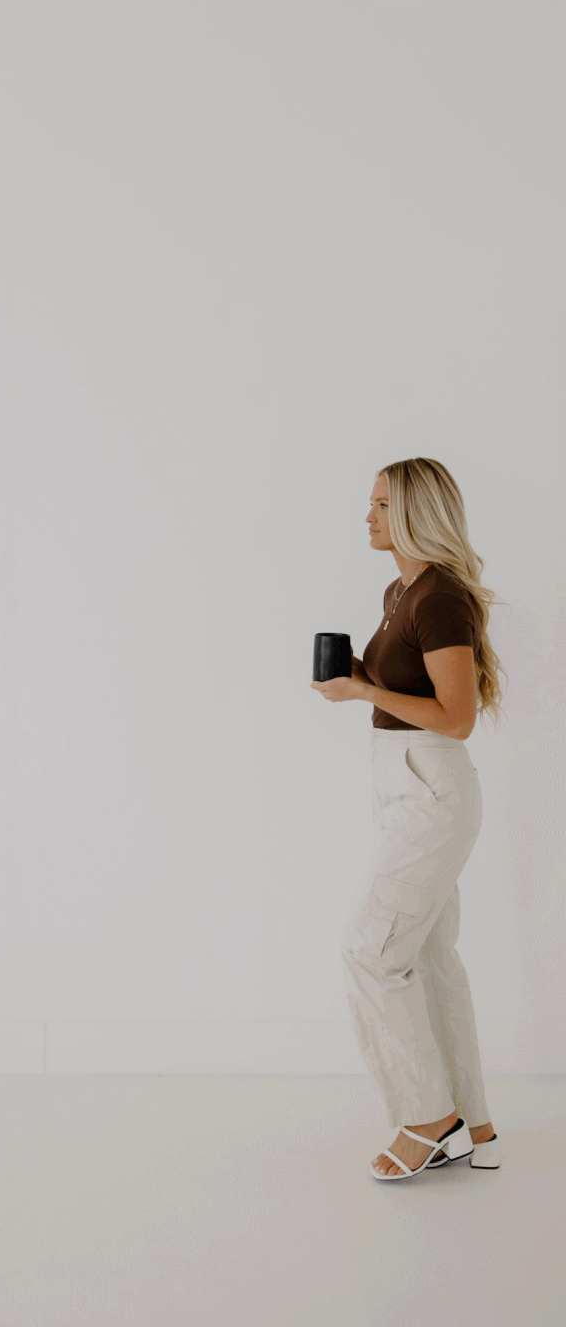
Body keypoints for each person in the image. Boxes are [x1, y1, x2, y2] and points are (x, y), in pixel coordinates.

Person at [312, 457, 505, 1181]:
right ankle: (473, 1123)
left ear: (414, 514)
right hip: (405, 787)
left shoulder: (439, 598)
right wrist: (360, 676)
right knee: (425, 957)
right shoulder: (403, 590)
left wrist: (364, 693)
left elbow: (457, 718)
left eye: (381, 504)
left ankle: (428, 1118)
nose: (367, 515)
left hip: (430, 786)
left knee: (370, 949)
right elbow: (409, 686)